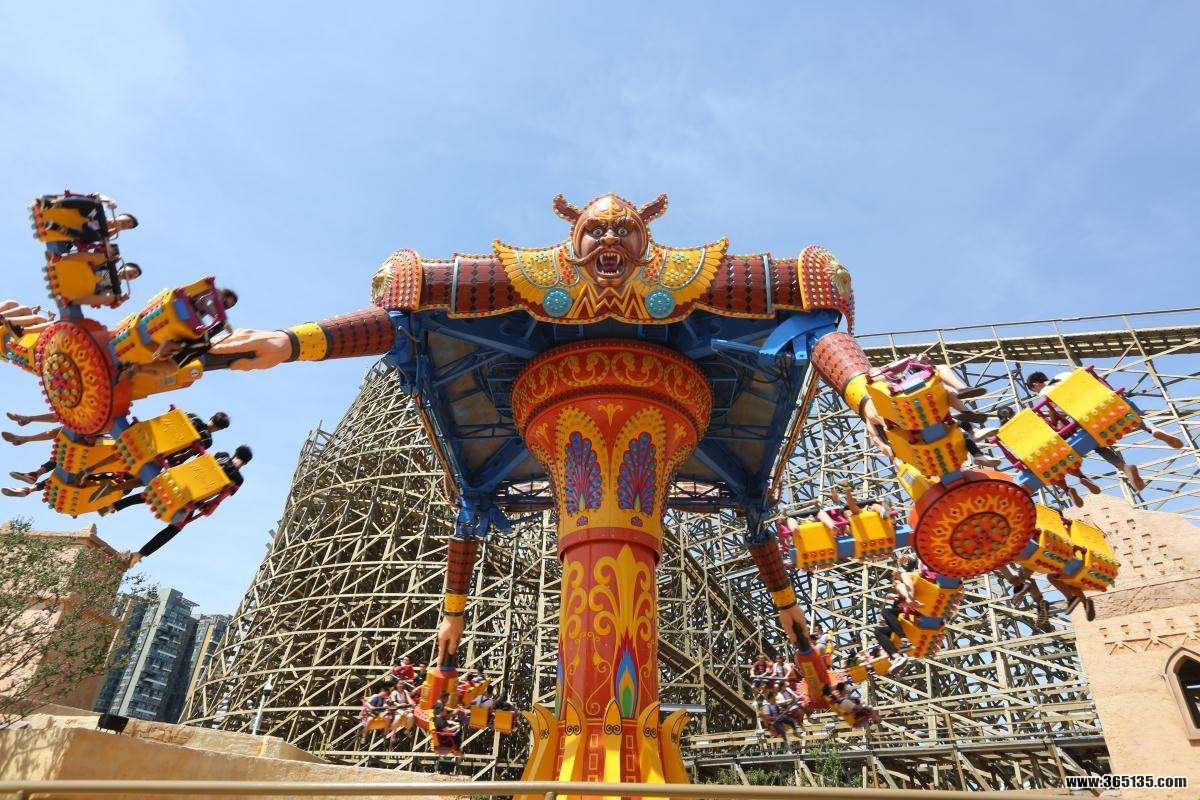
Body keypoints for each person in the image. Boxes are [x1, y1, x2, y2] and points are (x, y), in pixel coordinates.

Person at [1027, 370, 1183, 492]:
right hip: (1108, 404)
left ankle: (1123, 468)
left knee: (1097, 445)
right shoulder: (1065, 374)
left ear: (1035, 385)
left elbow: (1055, 415)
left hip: (1090, 420)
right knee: (1133, 415)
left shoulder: (1043, 394)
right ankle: (1153, 429)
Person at [118, 447, 252, 565]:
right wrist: (206, 508)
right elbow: (220, 498)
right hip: (191, 501)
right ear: (245, 463)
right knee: (175, 528)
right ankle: (139, 555)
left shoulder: (221, 455)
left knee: (151, 494)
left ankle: (114, 506)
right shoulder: (238, 479)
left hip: (181, 486)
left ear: (235, 453)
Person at [75, 262, 141, 308]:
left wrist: (121, 300)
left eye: (135, 277)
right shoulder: (109, 265)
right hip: (85, 273)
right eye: (134, 272)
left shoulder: (116, 289)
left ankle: (76, 301)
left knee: (110, 297)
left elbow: (111, 305)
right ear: (125, 266)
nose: (133, 276)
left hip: (89, 289)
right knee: (99, 258)